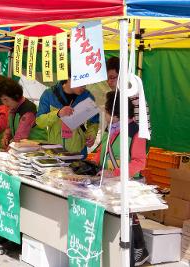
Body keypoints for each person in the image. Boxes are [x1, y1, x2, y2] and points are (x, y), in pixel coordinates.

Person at [92, 91, 149, 266]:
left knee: (127, 222)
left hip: (126, 185)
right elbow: (103, 152)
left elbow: (139, 163)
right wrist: (92, 165)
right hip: (109, 184)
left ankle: (134, 255)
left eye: (107, 111)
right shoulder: (112, 128)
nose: (105, 115)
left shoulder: (136, 132)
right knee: (117, 222)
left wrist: (115, 174)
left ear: (115, 114)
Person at [36, 73, 99, 156]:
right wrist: (57, 114)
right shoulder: (49, 94)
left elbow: (94, 121)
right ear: (69, 79)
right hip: (55, 152)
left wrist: (92, 134)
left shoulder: (88, 97)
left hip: (78, 154)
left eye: (85, 83)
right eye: (81, 83)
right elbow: (40, 121)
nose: (84, 87)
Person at [0, 78, 47, 149]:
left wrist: (8, 151)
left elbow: (20, 137)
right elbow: (9, 127)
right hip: (24, 148)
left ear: (15, 95)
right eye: (2, 100)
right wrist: (6, 136)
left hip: (36, 149)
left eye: (6, 99)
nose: (4, 103)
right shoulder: (13, 108)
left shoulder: (28, 110)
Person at [106, 56, 151, 132]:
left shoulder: (133, 93)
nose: (109, 82)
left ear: (122, 75)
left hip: (132, 138)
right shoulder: (114, 93)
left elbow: (143, 126)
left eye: (112, 77)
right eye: (107, 78)